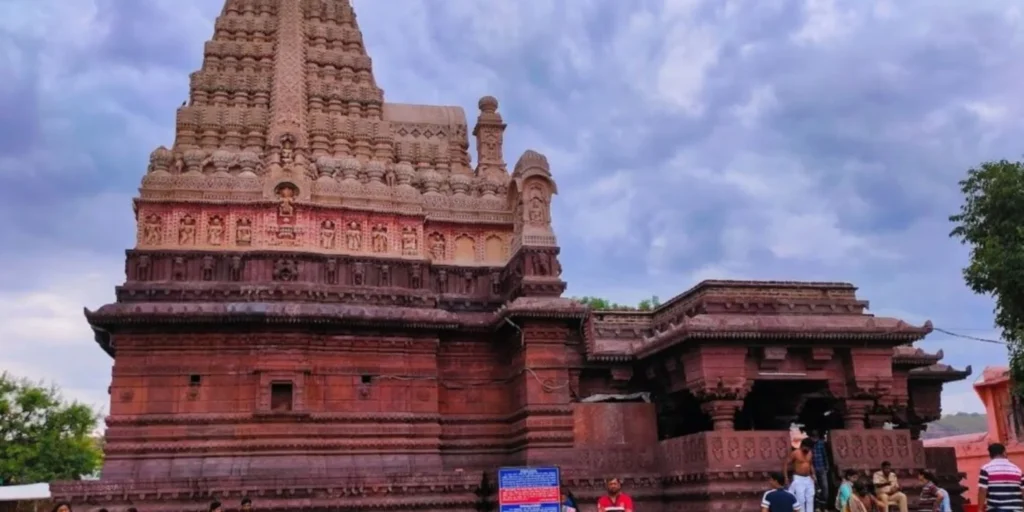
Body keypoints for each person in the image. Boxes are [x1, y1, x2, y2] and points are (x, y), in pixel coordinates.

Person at [979, 442, 1024, 512]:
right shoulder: (1017, 470)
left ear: (990, 455)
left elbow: (982, 490)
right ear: (1004, 452)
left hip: (995, 509)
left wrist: (979, 509)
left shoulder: (986, 469)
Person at [784, 438, 816, 512]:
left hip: (808, 478)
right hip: (798, 478)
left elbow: (810, 464)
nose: (808, 449)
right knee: (800, 499)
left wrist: (813, 474)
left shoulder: (810, 453)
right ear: (803, 445)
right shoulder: (795, 453)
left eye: (810, 448)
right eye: (807, 447)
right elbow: (785, 464)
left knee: (810, 498)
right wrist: (786, 478)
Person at [809, 430, 831, 506]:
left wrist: (827, 466)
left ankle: (824, 502)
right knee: (815, 487)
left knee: (824, 487)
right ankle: (817, 503)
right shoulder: (809, 444)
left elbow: (825, 455)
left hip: (821, 468)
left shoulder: (821, 443)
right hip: (812, 469)